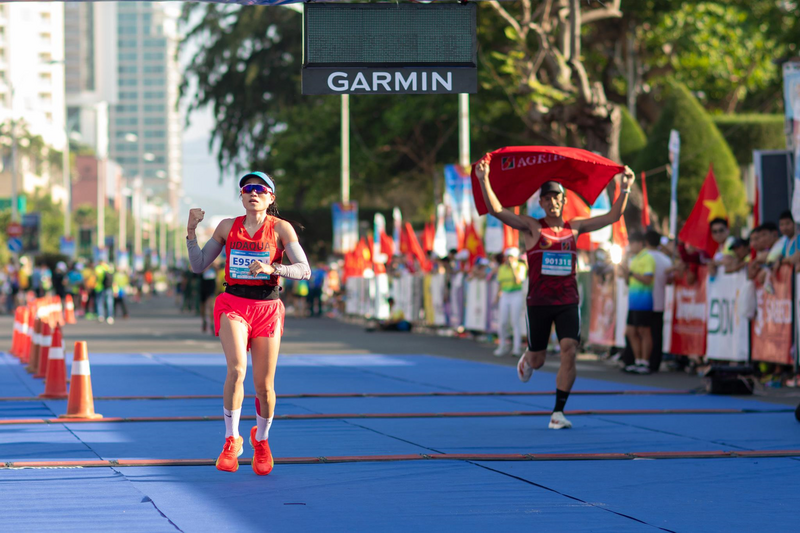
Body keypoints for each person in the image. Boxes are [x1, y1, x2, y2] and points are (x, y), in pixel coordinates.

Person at [476, 157, 635, 429]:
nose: (552, 202)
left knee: (569, 350)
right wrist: (483, 179)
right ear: (541, 203)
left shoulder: (575, 227)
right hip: (539, 302)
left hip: (567, 301)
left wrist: (626, 187)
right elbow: (497, 210)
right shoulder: (532, 227)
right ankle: (528, 357)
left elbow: (612, 217)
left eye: (556, 197)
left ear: (564, 200)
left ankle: (558, 412)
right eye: (547, 199)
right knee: (538, 360)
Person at [186, 171, 311, 475]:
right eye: (247, 188)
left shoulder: (281, 229)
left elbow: (304, 269)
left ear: (271, 197)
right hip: (233, 303)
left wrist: (273, 267)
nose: (252, 193)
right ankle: (232, 439)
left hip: (267, 306)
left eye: (260, 189)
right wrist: (191, 230)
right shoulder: (228, 227)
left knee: (264, 387)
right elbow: (198, 265)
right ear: (241, 196)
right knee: (237, 369)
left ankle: (262, 440)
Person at [619, 233, 656, 374]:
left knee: (644, 331)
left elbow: (648, 279)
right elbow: (629, 281)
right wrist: (625, 273)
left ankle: (645, 362)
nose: (631, 246)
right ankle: (638, 360)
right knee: (630, 331)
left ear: (640, 243)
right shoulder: (633, 259)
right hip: (633, 302)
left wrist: (631, 273)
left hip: (644, 300)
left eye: (633, 242)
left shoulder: (648, 258)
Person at [493, 247, 527, 357]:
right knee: (502, 322)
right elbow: (500, 283)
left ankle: (516, 348)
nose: (509, 259)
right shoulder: (502, 268)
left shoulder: (521, 267)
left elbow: (518, 280)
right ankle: (502, 345)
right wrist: (497, 296)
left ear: (516, 258)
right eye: (507, 257)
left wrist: (513, 269)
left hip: (516, 295)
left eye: (511, 257)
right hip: (505, 295)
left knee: (514, 322)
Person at [200, 265, 218, 333]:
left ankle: (212, 324)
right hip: (203, 284)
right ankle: (204, 320)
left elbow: (217, 270)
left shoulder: (214, 262)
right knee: (203, 305)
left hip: (211, 284)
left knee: (211, 305)